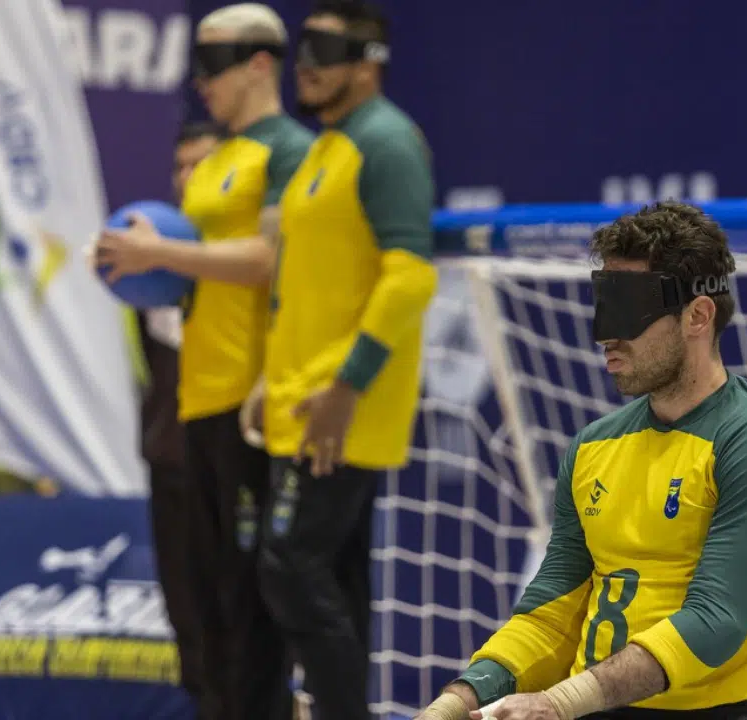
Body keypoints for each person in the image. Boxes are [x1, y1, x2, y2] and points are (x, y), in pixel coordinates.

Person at [416, 202, 747, 720]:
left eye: (627, 308)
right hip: (588, 708)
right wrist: (452, 704)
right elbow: (550, 617)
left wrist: (559, 701)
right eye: (603, 303)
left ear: (698, 316)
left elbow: (716, 620)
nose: (605, 335)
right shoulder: (593, 446)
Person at [94, 4, 314, 719]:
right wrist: (137, 262)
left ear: (260, 64)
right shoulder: (213, 163)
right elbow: (194, 275)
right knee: (205, 609)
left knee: (253, 610)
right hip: (198, 399)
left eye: (214, 64)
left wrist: (156, 252)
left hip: (255, 401)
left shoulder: (287, 149)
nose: (201, 81)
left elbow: (270, 259)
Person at [243, 2, 435, 718]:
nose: (306, 66)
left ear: (369, 62)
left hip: (338, 405)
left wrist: (346, 385)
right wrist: (272, 375)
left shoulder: (386, 142)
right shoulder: (328, 146)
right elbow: (306, 283)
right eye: (303, 49)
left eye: (325, 50)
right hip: (304, 394)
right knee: (337, 576)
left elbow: (409, 276)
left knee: (289, 566)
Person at [139, 119, 222, 714]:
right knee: (186, 617)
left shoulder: (250, 254)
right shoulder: (147, 254)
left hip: (230, 459)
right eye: (180, 167)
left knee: (240, 618)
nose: (188, 177)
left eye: (202, 164)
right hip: (170, 459)